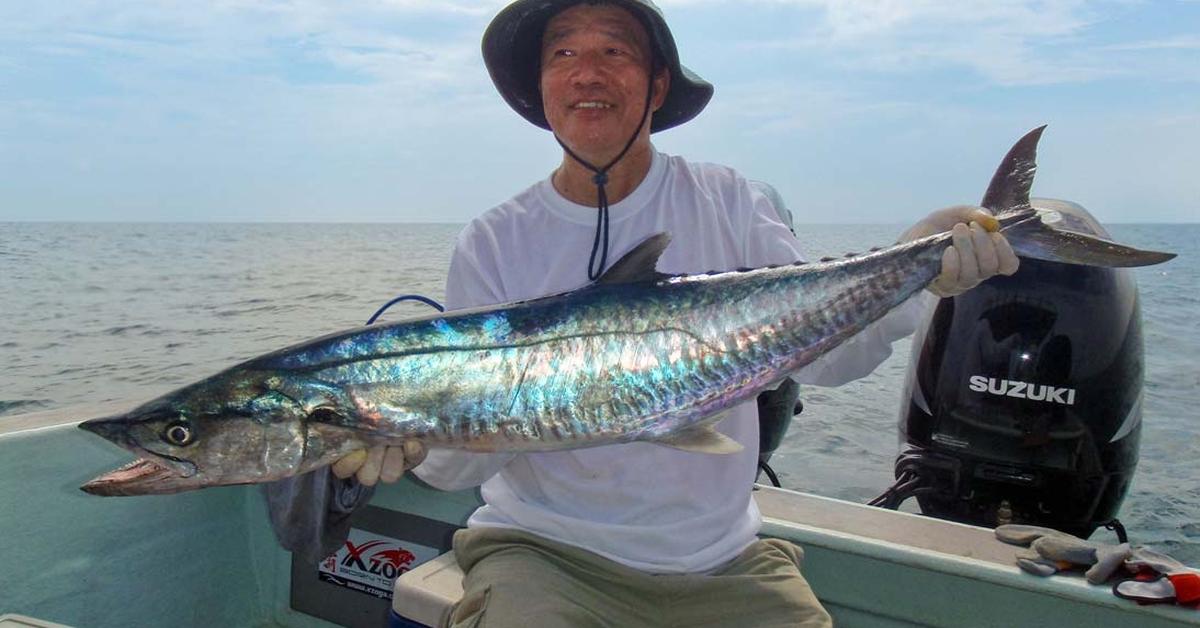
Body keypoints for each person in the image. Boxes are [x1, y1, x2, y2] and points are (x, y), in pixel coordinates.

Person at [265, 1, 1019, 626]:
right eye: (562, 55)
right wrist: (417, 445)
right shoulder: (496, 239)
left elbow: (829, 361)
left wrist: (922, 273)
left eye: (614, 52)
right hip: (543, 554)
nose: (586, 73)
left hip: (723, 561)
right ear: (541, 90)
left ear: (656, 86)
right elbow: (475, 457)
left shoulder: (727, 201)